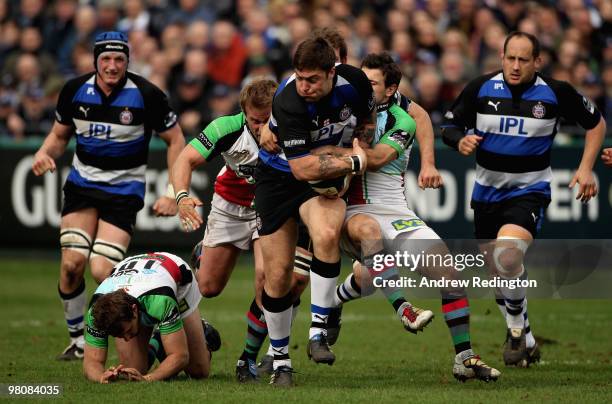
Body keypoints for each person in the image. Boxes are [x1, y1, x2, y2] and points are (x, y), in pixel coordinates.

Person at [320, 52, 501, 382]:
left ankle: (464, 356)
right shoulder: (339, 108)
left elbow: (375, 159)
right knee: (370, 234)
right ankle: (404, 308)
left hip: (396, 210)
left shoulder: (403, 120)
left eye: (371, 83)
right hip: (349, 210)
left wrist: (343, 153)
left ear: (389, 91)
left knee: (447, 272)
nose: (362, 86)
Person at [442, 31, 605, 367]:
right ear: (501, 58)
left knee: (507, 257)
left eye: (523, 59)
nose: (515, 66)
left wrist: (586, 168)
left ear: (537, 62)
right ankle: (527, 339)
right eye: (510, 58)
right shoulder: (480, 88)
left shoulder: (556, 92)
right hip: (485, 193)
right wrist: (459, 141)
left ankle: (515, 331)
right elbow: (449, 126)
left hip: (529, 191)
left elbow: (596, 123)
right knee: (499, 273)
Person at [31, 31, 185, 361]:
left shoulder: (146, 94)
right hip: (82, 185)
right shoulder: (74, 90)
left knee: (102, 270)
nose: (112, 66)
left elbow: (176, 141)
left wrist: (174, 191)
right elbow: (59, 137)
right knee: (72, 265)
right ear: (95, 61)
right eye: (106, 59)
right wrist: (45, 153)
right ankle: (78, 341)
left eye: (119, 59)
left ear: (128, 62)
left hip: (123, 190)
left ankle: (150, 329)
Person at [170, 78, 310, 382]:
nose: (260, 128)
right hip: (230, 206)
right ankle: (203, 255)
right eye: (254, 120)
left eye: (266, 120)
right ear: (243, 113)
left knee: (267, 280)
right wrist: (181, 197)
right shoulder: (226, 128)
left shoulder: (293, 128)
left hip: (271, 210)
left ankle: (247, 357)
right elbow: (186, 159)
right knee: (208, 287)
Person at [255, 36, 373, 386]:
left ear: (331, 72)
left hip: (320, 181)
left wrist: (360, 144)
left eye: (312, 80)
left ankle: (318, 332)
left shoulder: (355, 82)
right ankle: (280, 362)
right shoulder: (288, 100)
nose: (303, 86)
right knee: (277, 278)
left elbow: (367, 117)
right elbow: (302, 170)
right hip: (279, 178)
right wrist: (351, 162)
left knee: (325, 235)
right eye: (299, 77)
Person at [83, 252, 217, 383]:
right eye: (119, 335)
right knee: (134, 369)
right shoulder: (96, 312)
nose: (127, 338)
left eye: (128, 331)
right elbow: (92, 362)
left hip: (179, 281)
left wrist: (148, 378)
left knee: (198, 371)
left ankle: (201, 329)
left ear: (134, 310)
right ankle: (158, 340)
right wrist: (101, 376)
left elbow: (180, 356)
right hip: (136, 276)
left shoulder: (160, 300)